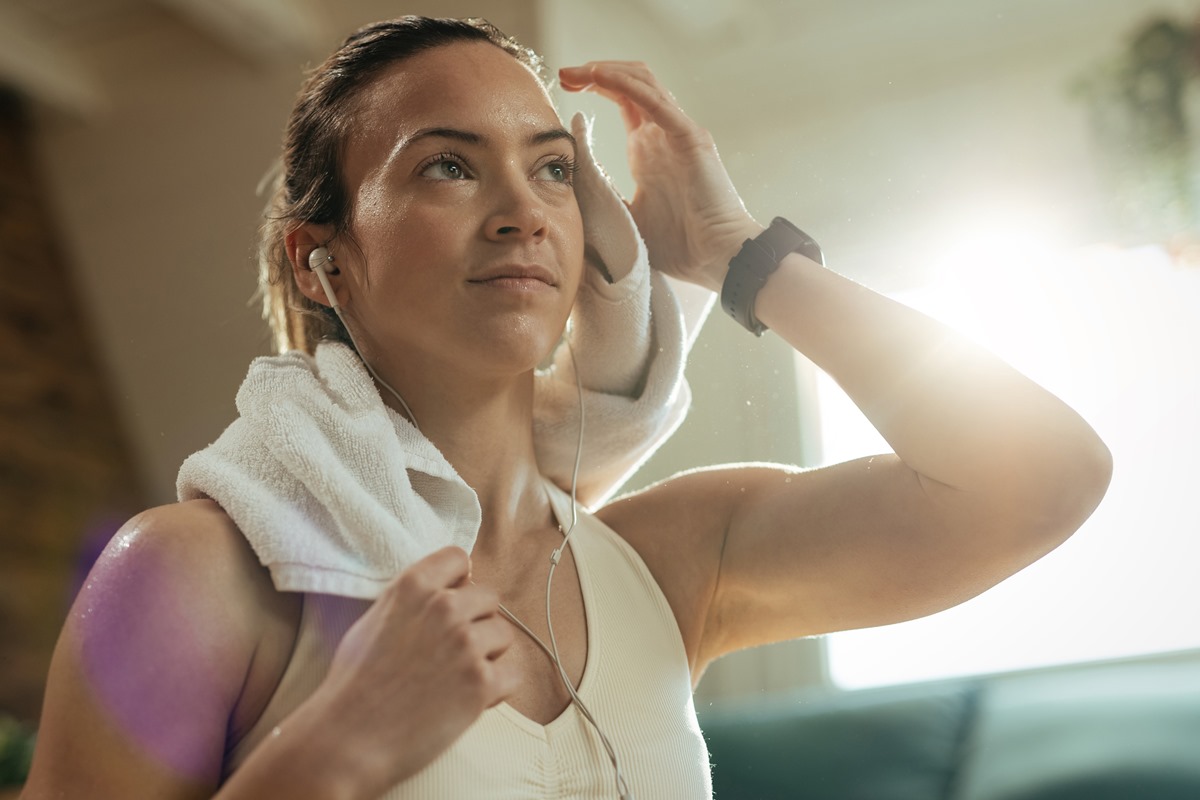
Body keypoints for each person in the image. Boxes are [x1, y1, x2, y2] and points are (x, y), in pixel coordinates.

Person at [20, 15, 1112, 800]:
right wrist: (333, 757)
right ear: (321, 265)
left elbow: (1043, 480)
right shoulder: (190, 577)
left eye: (551, 170)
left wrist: (742, 254)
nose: (520, 212)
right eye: (448, 166)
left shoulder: (670, 562)